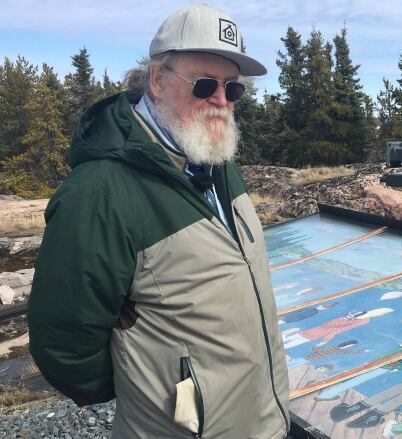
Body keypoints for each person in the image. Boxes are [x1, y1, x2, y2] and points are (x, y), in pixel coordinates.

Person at [27, 4, 289, 438]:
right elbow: (64, 342)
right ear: (158, 79)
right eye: (205, 85)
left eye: (233, 89)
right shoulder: (99, 193)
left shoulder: (216, 163)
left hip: (261, 419)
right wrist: (149, 389)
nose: (221, 101)